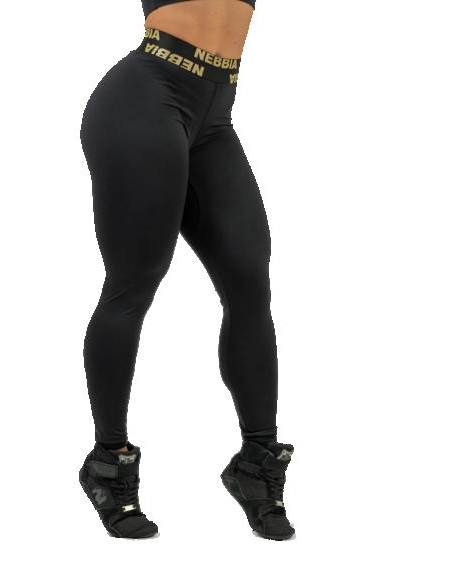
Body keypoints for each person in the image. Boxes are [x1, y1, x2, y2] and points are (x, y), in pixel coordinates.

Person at [78, 0, 296, 540]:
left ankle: (256, 464)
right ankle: (108, 462)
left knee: (249, 282)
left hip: (214, 115)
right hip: (146, 97)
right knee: (134, 284)